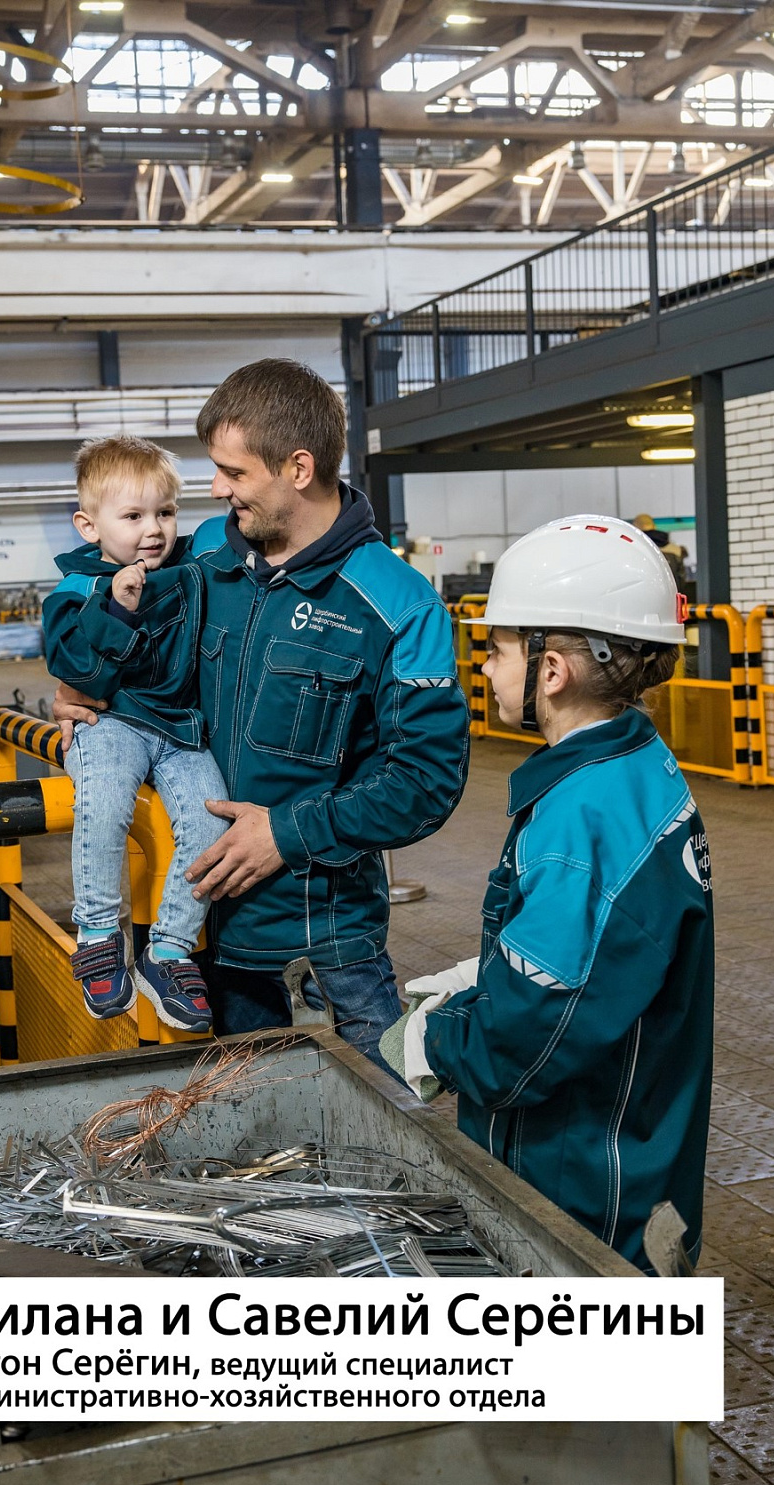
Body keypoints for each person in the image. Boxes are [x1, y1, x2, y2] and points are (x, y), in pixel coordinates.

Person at [53, 360, 469, 1066]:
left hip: (332, 933)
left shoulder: (398, 605)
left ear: (298, 468)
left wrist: (287, 834)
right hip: (215, 931)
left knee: (388, 1119)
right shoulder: (203, 556)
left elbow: (425, 780)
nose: (216, 489)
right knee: (259, 1132)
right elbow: (107, 609)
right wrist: (83, 691)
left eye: (233, 473)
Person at [382, 514, 713, 1270]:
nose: (486, 668)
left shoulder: (581, 821)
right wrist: (490, 972)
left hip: (580, 1187)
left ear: (552, 670)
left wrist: (440, 1037)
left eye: (496, 649)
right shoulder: (632, 765)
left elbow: (526, 1039)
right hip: (632, 1149)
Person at [43, 436, 229, 1033]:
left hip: (177, 729)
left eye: (165, 512)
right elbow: (76, 671)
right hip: (114, 722)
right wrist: (117, 611)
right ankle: (98, 930)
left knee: (211, 817)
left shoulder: (189, 569)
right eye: (132, 516)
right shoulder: (77, 590)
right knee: (105, 804)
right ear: (88, 525)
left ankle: (169, 947)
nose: (153, 529)